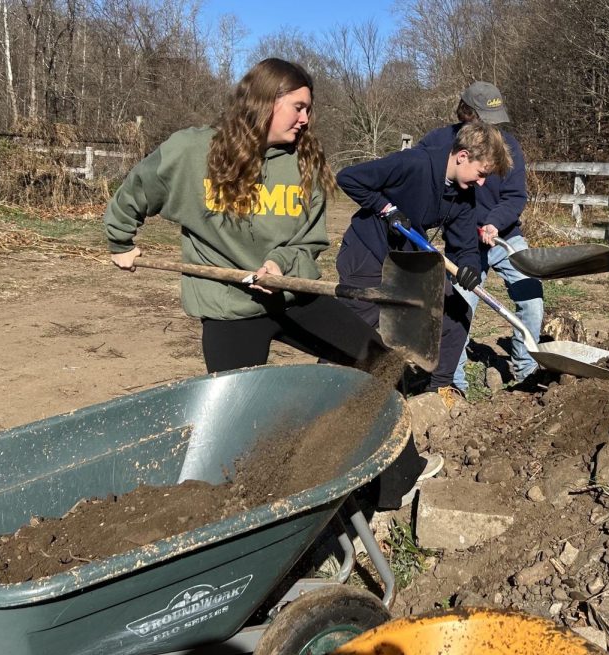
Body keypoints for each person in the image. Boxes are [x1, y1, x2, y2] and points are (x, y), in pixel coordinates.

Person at [102, 58, 439, 504]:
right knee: (241, 427)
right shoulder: (191, 152)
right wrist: (119, 239)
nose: (306, 119)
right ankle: (255, 507)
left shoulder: (303, 164)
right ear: (266, 101)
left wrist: (281, 265)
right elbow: (136, 190)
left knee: (381, 364)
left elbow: (309, 239)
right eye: (298, 107)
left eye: (308, 109)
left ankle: (393, 486)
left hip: (293, 297)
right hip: (229, 308)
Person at [335, 120, 513, 404]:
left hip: (408, 260)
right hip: (368, 250)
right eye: (481, 174)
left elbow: (465, 245)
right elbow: (349, 177)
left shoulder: (463, 195)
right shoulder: (414, 163)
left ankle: (437, 394)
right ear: (462, 156)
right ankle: (323, 389)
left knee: (457, 314)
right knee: (353, 327)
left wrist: (469, 267)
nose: (482, 183)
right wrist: (386, 208)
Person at [418, 81, 542, 391]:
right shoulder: (439, 142)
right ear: (466, 113)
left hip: (504, 237)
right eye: (486, 119)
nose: (493, 127)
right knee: (460, 308)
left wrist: (494, 223)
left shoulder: (509, 146)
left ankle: (527, 369)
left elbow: (515, 196)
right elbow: (421, 179)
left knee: (532, 298)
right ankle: (454, 382)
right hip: (463, 244)